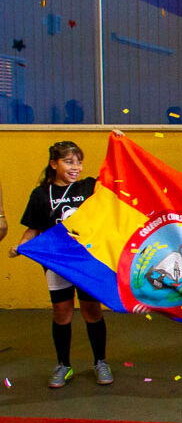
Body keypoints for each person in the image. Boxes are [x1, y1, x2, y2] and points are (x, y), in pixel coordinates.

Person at [9, 138, 115, 387]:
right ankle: (63, 365)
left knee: (92, 310)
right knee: (62, 312)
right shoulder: (40, 194)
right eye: (69, 162)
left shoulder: (88, 187)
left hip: (87, 262)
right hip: (57, 262)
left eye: (79, 162)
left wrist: (117, 143)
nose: (76, 167)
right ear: (54, 164)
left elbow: (116, 175)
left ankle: (100, 362)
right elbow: (34, 228)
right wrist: (21, 245)